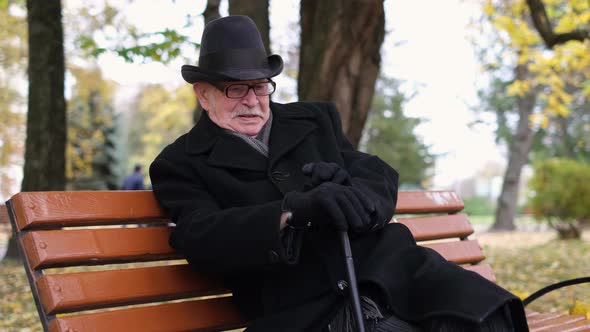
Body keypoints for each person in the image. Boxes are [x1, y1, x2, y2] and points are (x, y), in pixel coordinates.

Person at [149, 15, 528, 332]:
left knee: (492, 317)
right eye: (235, 89)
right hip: (306, 311)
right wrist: (290, 212)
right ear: (203, 94)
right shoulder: (180, 162)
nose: (252, 100)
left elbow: (376, 173)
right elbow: (200, 237)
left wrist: (353, 193)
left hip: (392, 274)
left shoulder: (314, 120)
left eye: (260, 86)